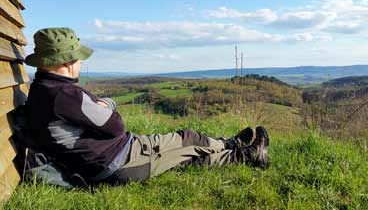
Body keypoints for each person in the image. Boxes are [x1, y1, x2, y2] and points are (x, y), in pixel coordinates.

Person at [24, 27, 270, 185]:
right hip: (118, 163)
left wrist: (101, 105)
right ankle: (246, 155)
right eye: (78, 58)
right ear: (67, 61)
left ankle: (231, 145)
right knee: (189, 147)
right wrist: (105, 104)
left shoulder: (42, 89)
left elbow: (96, 118)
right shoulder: (64, 94)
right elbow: (116, 126)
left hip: (113, 156)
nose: (80, 62)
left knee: (186, 144)